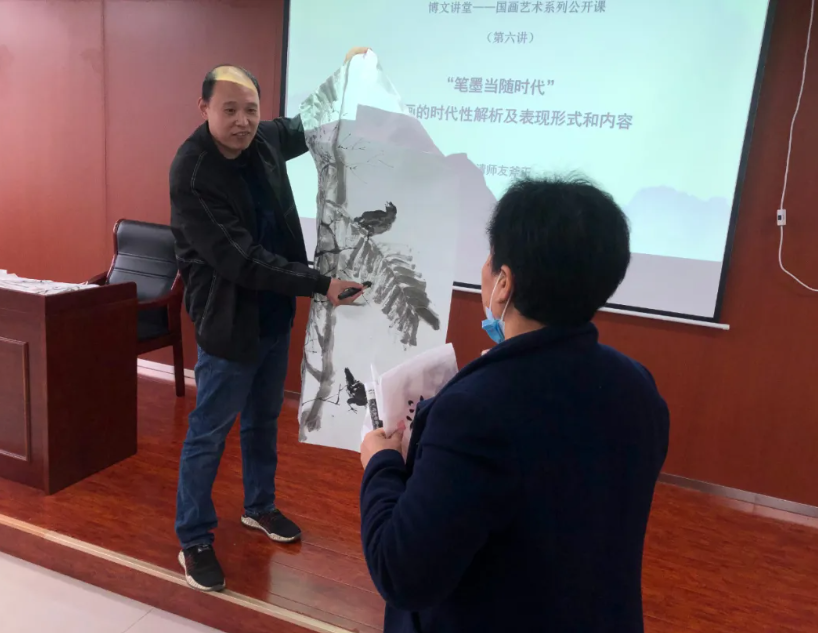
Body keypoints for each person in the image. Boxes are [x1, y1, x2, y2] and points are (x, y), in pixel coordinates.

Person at [359, 175, 670, 632]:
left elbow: (402, 572)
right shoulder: (638, 386)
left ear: (504, 283)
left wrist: (382, 464)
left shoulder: (474, 411)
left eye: (490, 259)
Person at [170, 48, 368, 592]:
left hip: (273, 315)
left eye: (251, 109)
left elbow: (309, 122)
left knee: (262, 420)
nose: (243, 121)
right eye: (230, 110)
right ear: (204, 108)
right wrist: (321, 283)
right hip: (229, 323)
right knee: (209, 433)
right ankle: (194, 538)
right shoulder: (193, 173)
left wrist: (348, 72)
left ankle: (259, 506)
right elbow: (242, 259)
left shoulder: (263, 141)